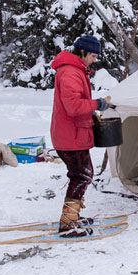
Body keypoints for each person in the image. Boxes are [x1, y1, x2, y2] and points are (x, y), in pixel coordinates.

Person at [49, 35, 110, 236]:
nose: (94, 59)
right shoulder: (70, 73)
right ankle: (67, 223)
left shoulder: (76, 70)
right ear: (82, 52)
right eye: (93, 55)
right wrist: (97, 104)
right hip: (69, 136)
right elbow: (73, 106)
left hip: (73, 134)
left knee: (82, 175)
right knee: (81, 175)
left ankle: (72, 216)